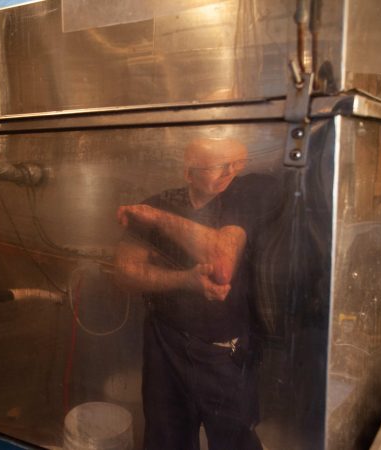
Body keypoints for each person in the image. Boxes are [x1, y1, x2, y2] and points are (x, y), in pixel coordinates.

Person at [115, 137, 277, 450]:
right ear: (189, 173)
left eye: (234, 163)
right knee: (165, 438)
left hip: (224, 349)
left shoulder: (248, 192)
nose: (229, 172)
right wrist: (185, 280)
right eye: (216, 166)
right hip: (165, 341)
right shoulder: (159, 201)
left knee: (234, 439)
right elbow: (124, 273)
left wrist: (159, 220)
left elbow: (221, 264)